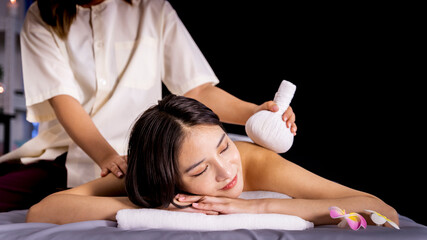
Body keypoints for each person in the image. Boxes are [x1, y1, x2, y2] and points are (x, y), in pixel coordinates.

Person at [0, 0, 297, 212]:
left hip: (146, 156)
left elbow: (197, 88)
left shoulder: (154, 9)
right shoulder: (42, 16)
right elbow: (64, 100)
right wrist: (105, 156)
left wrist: (256, 112)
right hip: (67, 153)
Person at [26, 95, 398, 227]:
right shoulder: (154, 172)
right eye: (200, 170)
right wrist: (155, 205)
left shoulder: (253, 163)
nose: (227, 172)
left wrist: (258, 208)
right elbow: (42, 212)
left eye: (223, 146)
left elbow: (379, 209)